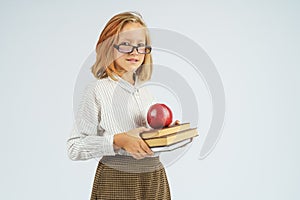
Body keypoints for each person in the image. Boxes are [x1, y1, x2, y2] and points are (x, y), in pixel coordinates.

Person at [67, 11, 178, 199]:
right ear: (109, 47)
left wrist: (165, 134)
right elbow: (74, 147)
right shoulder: (97, 90)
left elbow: (143, 141)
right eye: (126, 44)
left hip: (154, 178)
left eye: (140, 46)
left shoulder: (144, 93)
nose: (134, 52)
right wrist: (117, 140)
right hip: (117, 178)